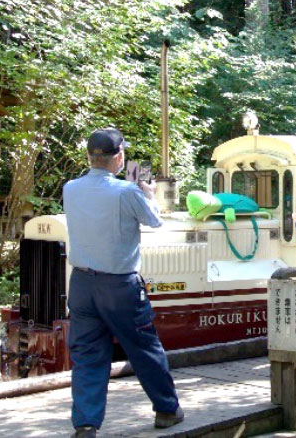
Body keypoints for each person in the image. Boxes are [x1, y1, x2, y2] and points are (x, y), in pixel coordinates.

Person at [63, 128, 183, 438]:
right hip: (120, 285)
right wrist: (149, 195)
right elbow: (154, 221)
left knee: (88, 354)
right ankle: (166, 409)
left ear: (90, 156)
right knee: (143, 347)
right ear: (119, 157)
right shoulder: (127, 193)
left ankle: (86, 424)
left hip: (81, 285)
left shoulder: (71, 189)